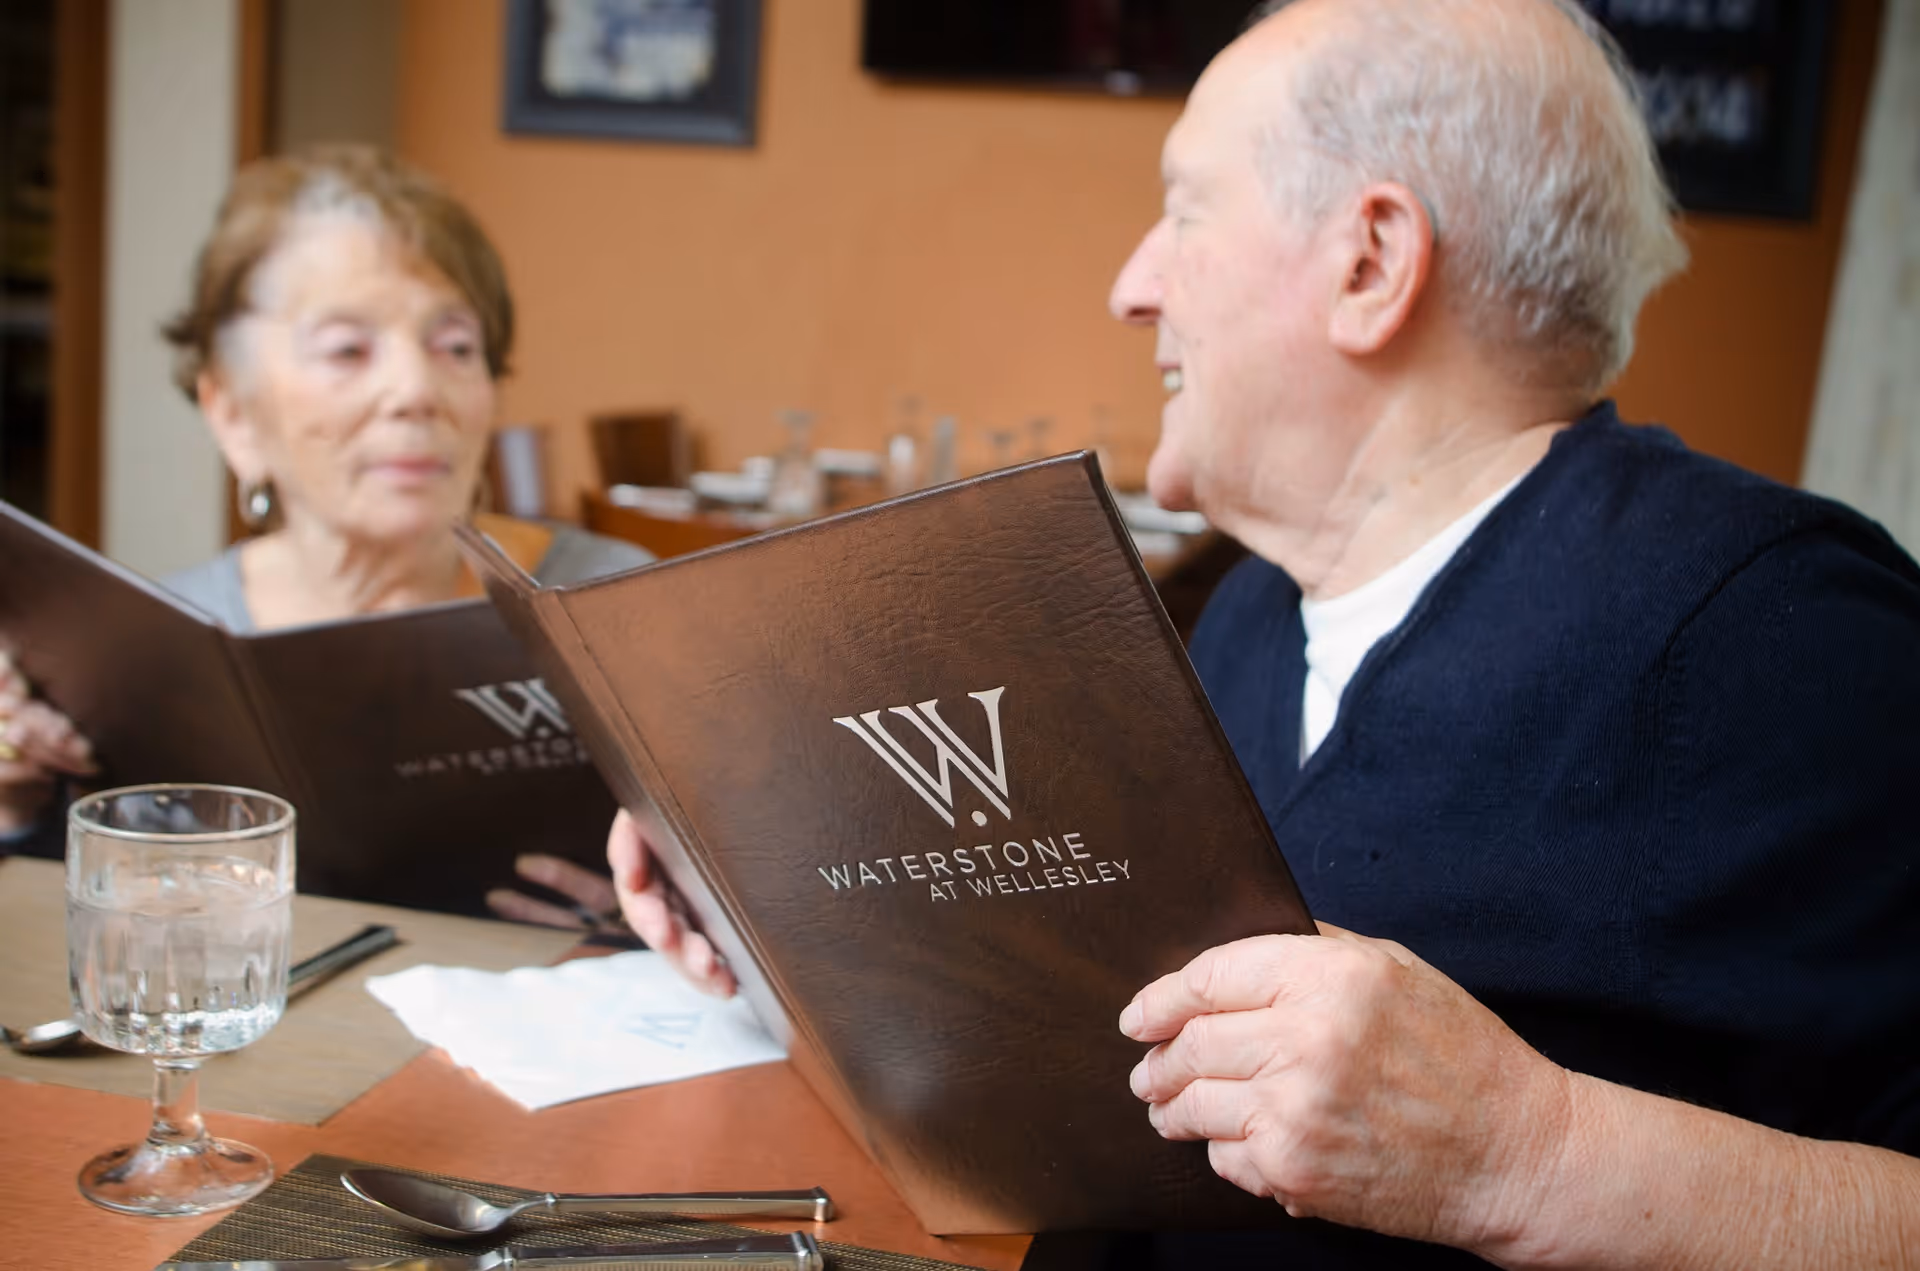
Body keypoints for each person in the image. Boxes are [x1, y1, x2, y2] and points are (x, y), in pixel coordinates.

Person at [611, 0, 1920, 1265]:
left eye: (1184, 212)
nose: (1132, 286)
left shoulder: (1777, 633)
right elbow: (1114, 1033)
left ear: (1370, 264)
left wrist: (1532, 1149)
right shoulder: (1242, 616)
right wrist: (787, 936)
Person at [0, 146, 643, 929]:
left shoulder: (614, 604)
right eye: (347, 349)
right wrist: (21, 798)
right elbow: (85, 944)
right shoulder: (147, 650)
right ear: (234, 413)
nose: (415, 390)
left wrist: (662, 918)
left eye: (456, 347)